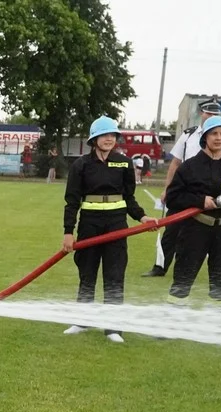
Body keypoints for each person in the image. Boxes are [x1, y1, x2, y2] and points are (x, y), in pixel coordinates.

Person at [61, 116, 153, 343]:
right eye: (104, 135)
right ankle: (82, 321)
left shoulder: (123, 162)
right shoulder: (81, 165)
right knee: (87, 274)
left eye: (112, 135)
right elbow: (72, 201)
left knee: (114, 276)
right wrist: (68, 231)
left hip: (116, 225)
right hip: (89, 225)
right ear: (95, 139)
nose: (109, 139)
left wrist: (142, 217)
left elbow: (129, 197)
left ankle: (113, 329)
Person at [164, 116, 221, 303]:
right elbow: (173, 198)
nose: (218, 138)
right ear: (205, 137)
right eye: (214, 133)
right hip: (195, 229)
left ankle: (217, 326)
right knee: (183, 279)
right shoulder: (190, 166)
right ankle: (171, 322)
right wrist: (200, 201)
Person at [142, 97, 221, 277]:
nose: (211, 116)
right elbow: (175, 163)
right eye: (209, 113)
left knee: (208, 231)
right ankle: (160, 266)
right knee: (171, 229)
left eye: (215, 114)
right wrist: (167, 189)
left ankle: (204, 270)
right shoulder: (188, 135)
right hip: (185, 190)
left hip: (209, 193)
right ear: (202, 113)